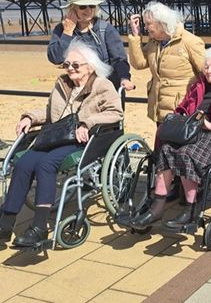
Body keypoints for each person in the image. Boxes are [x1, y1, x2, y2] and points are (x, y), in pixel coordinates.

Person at [0, 41, 123, 247]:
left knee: (45, 165)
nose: (70, 69)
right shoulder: (62, 83)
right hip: (55, 136)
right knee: (23, 164)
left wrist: (87, 123)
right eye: (66, 65)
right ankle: (6, 223)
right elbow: (49, 111)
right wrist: (30, 117)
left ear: (90, 66)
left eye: (76, 65)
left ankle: (39, 227)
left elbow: (115, 113)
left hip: (81, 140)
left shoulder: (102, 85)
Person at [129, 49, 211, 229]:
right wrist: (180, 117)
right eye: (206, 67)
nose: (209, 70)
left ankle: (190, 209)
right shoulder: (199, 84)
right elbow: (183, 107)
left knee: (186, 154)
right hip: (193, 131)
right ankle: (156, 208)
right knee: (166, 150)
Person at [127, 2, 205, 131]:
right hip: (159, 108)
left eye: (148, 23)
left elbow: (206, 72)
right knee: (161, 140)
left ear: (162, 23)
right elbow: (139, 63)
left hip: (181, 109)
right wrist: (135, 36)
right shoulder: (154, 42)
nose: (145, 27)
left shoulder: (189, 41)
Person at [48, 0, 134, 91]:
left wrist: (124, 78)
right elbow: (55, 58)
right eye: (83, 6)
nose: (88, 10)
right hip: (78, 89)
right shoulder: (61, 30)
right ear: (71, 9)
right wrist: (67, 32)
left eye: (92, 5)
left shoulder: (105, 29)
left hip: (106, 88)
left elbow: (119, 59)